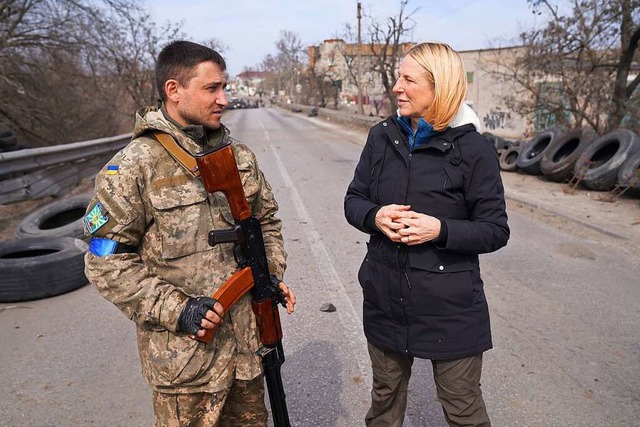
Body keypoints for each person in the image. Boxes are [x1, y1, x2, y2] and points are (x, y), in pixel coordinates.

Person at [83, 40, 296, 426]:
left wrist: (271, 274)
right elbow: (105, 261)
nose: (224, 99)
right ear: (174, 90)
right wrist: (178, 310)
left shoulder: (239, 156)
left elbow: (267, 222)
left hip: (249, 353)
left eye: (224, 88)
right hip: (187, 368)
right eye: (212, 88)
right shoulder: (133, 167)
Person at [344, 42, 509, 427]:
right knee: (384, 402)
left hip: (450, 308)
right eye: (399, 77)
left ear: (440, 87)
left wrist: (441, 229)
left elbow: (495, 230)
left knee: (463, 407)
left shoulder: (474, 149)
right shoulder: (381, 136)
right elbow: (354, 199)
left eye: (408, 79)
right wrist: (374, 215)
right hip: (385, 296)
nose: (396, 87)